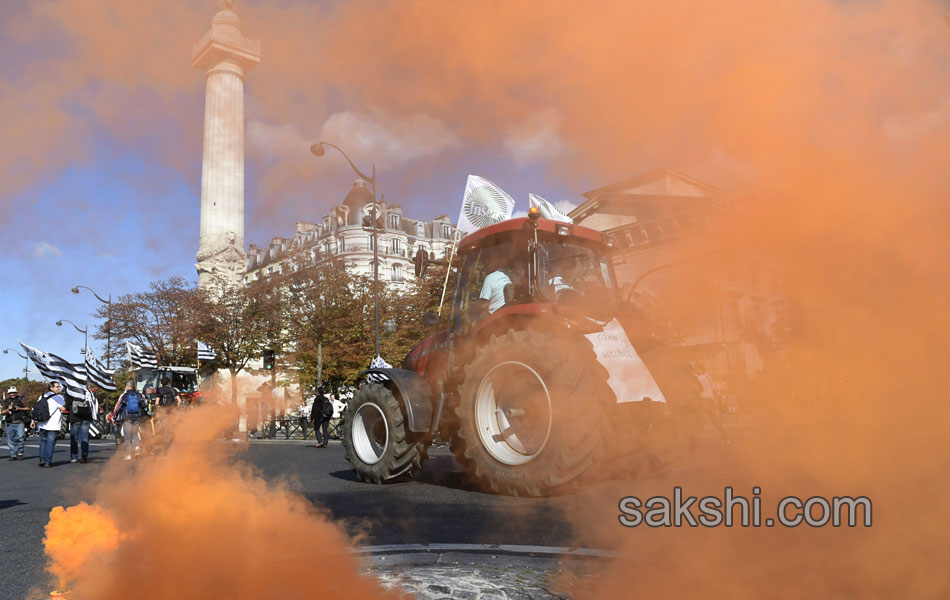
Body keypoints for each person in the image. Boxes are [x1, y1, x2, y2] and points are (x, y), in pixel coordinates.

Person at [37, 381, 67, 468]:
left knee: (43, 442)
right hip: (53, 424)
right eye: (57, 387)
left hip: (42, 423)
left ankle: (42, 459)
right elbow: (63, 408)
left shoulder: (41, 396)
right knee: (50, 443)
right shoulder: (58, 397)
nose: (59, 388)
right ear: (51, 388)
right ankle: (47, 461)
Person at [113, 381, 145, 460]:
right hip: (137, 418)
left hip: (127, 418)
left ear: (128, 386)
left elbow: (119, 406)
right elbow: (144, 405)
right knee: (135, 434)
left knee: (127, 436)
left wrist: (115, 416)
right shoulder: (139, 395)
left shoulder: (125, 395)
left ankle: (128, 454)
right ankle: (137, 448)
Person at [67, 386, 99, 464]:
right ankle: (84, 454)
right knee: (84, 438)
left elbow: (67, 404)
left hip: (75, 418)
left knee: (74, 438)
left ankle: (74, 457)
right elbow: (94, 404)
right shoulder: (89, 392)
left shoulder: (72, 392)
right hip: (86, 417)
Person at [3, 386, 29, 460]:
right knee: (10, 439)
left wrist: (19, 408)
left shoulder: (21, 399)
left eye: (13, 392)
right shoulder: (6, 401)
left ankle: (20, 453)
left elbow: (28, 408)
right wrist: (8, 409)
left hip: (19, 421)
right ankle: (13, 454)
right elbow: (2, 412)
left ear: (16, 393)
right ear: (9, 394)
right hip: (9, 422)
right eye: (11, 393)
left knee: (20, 438)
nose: (12, 394)